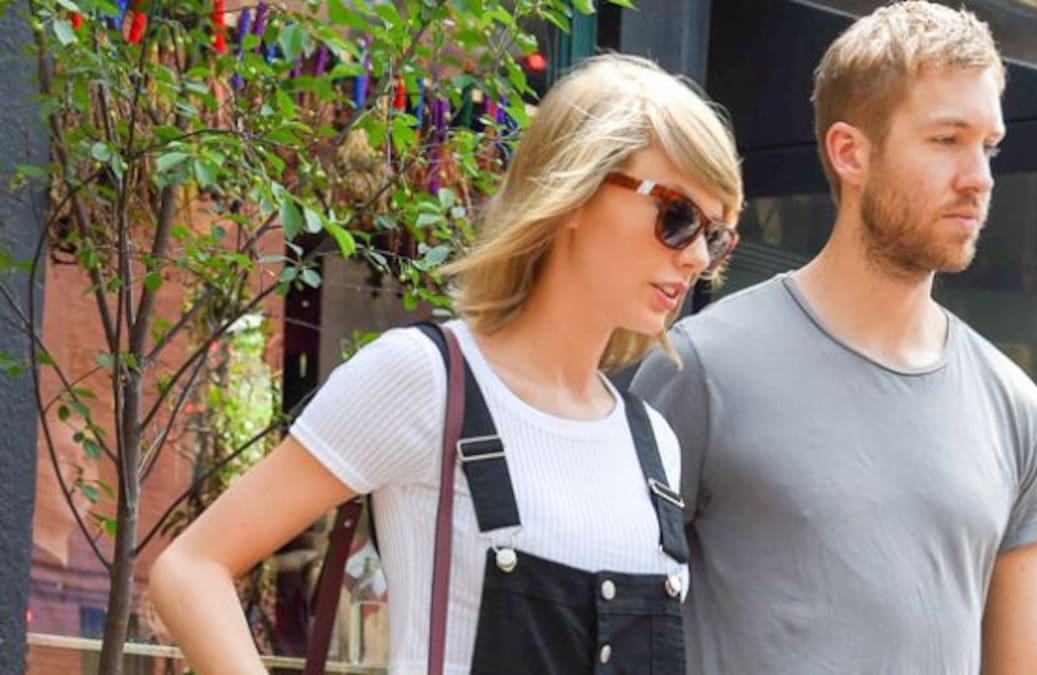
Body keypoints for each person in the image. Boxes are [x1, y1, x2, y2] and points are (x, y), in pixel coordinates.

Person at [150, 53, 743, 674]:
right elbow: (192, 568)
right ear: (575, 190)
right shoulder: (429, 381)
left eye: (716, 235)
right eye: (677, 217)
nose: (697, 258)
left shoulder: (654, 446)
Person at [630, 3, 1037, 673]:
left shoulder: (1015, 409)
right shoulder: (701, 368)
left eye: (989, 146)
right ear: (850, 152)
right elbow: (616, 634)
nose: (979, 177)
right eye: (946, 139)